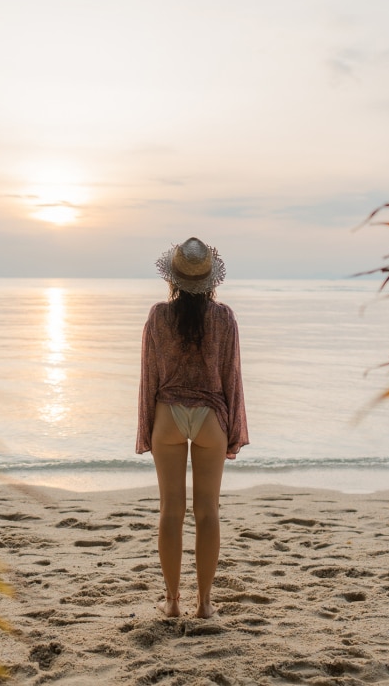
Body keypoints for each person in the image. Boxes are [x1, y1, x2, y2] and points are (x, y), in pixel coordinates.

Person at [137, 237, 248, 619]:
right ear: (210, 281)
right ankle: (204, 604)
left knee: (170, 510)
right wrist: (234, 430)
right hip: (210, 416)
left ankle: (171, 602)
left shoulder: (157, 316)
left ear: (173, 278)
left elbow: (148, 378)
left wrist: (146, 428)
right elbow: (231, 378)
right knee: (207, 512)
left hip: (168, 412)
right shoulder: (223, 317)